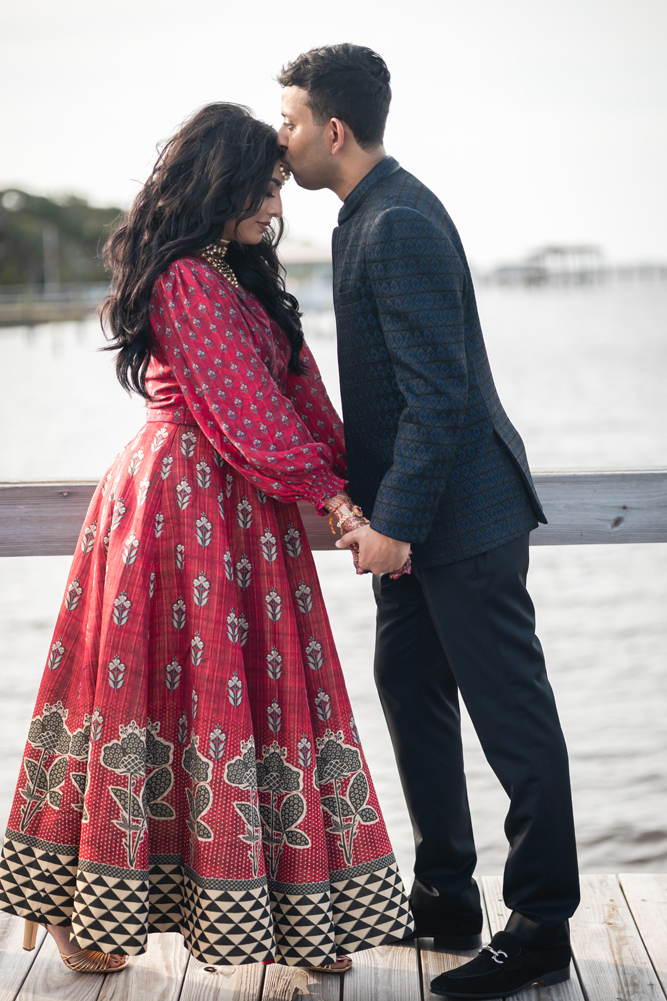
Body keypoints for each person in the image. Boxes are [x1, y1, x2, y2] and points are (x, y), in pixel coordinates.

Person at [0, 102, 414, 974]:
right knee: (154, 706)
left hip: (245, 516)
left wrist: (374, 492)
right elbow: (245, 412)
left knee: (260, 709)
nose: (276, 201)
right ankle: (91, 916)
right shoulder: (187, 277)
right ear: (221, 182)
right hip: (176, 507)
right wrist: (337, 509)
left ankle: (294, 917)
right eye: (264, 185)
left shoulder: (243, 277)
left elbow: (300, 400)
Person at [277, 44, 580, 999]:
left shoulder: (396, 221)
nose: (277, 140)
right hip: (416, 516)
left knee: (511, 718)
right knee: (405, 682)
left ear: (332, 130)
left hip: (464, 515)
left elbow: (438, 395)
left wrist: (394, 525)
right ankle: (446, 897)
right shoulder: (361, 215)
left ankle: (538, 928)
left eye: (287, 123)